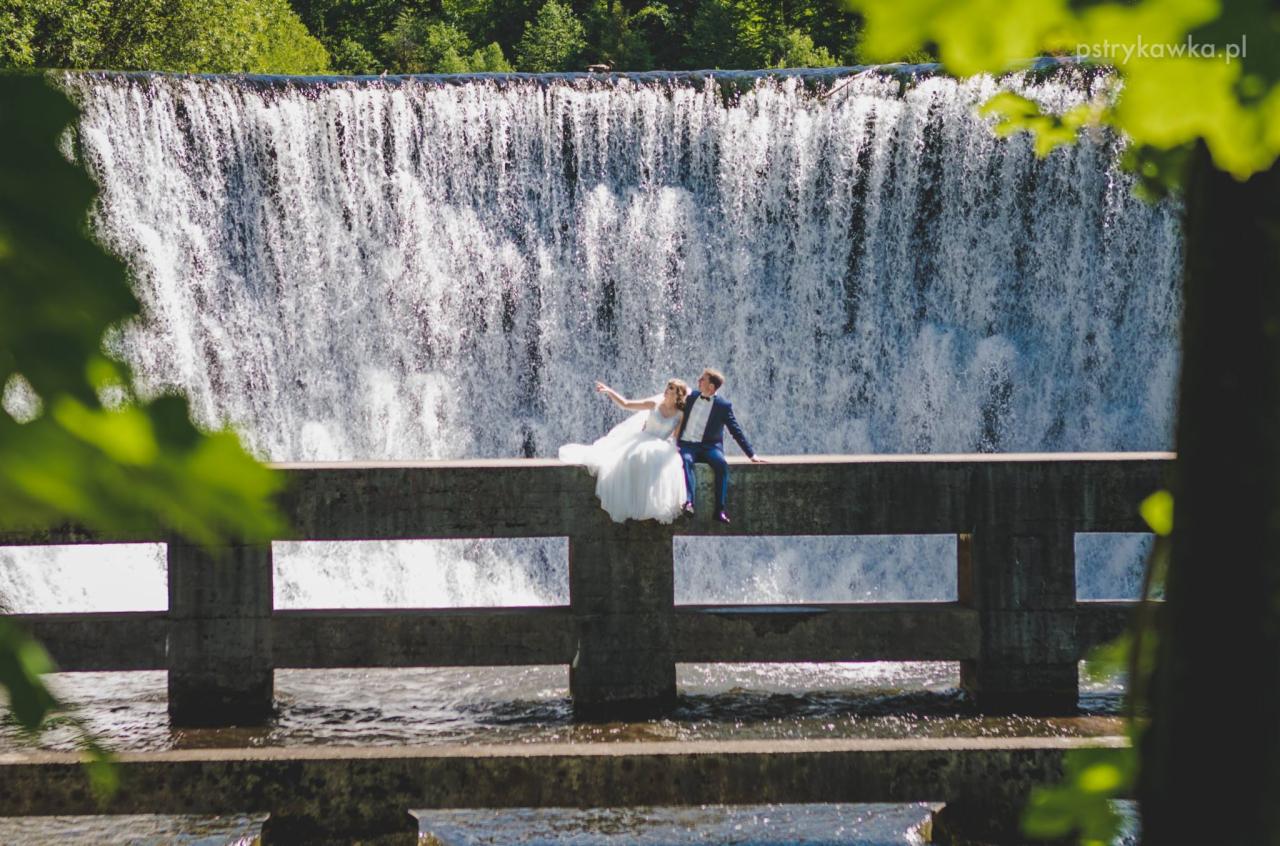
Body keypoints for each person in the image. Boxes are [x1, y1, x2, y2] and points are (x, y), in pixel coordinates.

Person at [558, 379, 690, 523]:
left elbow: (676, 438)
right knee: (634, 458)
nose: (666, 389)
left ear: (678, 394)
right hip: (642, 439)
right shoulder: (654, 404)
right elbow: (626, 404)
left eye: (670, 388)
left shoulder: (680, 414)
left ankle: (650, 504)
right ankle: (632, 502)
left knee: (662, 464)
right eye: (667, 386)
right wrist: (609, 391)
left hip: (660, 445)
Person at [676, 368, 765, 524]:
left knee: (721, 465)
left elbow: (735, 430)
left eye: (702, 379)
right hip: (688, 444)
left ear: (711, 387)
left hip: (709, 447)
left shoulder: (723, 406)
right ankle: (689, 503)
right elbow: (670, 408)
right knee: (686, 461)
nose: (698, 380)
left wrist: (751, 455)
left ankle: (719, 510)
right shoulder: (690, 397)